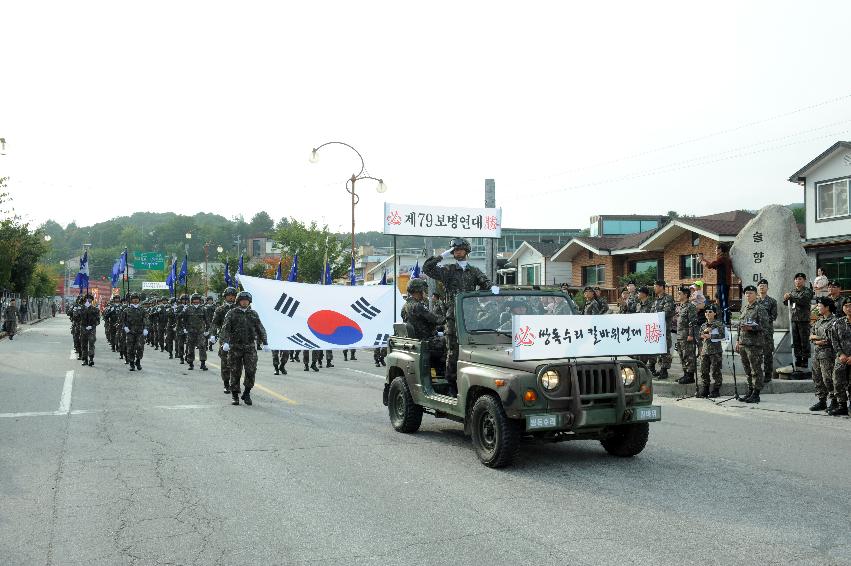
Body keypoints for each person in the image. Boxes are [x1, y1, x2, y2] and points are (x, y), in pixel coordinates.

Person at [423, 237, 496, 394]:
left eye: (460, 249)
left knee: (474, 349)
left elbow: (487, 285)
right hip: (453, 316)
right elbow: (427, 269)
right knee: (453, 350)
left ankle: (472, 382)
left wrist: (494, 289)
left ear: (467, 251)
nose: (457, 252)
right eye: (455, 250)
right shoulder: (448, 270)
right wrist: (443, 255)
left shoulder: (474, 271)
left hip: (471, 317)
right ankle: (452, 384)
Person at [220, 291, 269, 406]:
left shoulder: (253, 314)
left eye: (246, 300)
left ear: (249, 302)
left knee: (251, 370)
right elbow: (225, 329)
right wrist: (225, 342)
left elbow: (260, 328)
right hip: (235, 347)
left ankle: (247, 393)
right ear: (238, 301)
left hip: (249, 347)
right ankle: (235, 395)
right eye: (242, 300)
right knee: (235, 371)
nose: (244, 302)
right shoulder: (231, 313)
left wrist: (265, 342)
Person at [401, 278, 444, 369]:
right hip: (425, 340)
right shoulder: (418, 306)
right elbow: (435, 319)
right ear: (418, 291)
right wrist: (448, 319)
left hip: (416, 340)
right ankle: (445, 371)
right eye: (422, 291)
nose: (424, 293)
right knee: (449, 342)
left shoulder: (406, 305)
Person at [736, 285, 769, 403]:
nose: (748, 295)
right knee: (747, 370)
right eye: (746, 293)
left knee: (756, 369)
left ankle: (756, 393)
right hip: (743, 343)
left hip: (755, 344)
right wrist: (737, 341)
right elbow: (740, 326)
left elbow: (766, 327)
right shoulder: (745, 308)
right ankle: (750, 390)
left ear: (756, 294)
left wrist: (752, 328)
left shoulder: (760, 308)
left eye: (750, 293)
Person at [809, 297, 837, 412]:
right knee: (817, 377)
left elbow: (831, 339)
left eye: (820, 306)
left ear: (827, 307)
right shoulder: (819, 321)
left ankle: (835, 401)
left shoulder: (834, 321)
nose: (818, 308)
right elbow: (811, 335)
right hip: (817, 353)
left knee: (828, 378)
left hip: (828, 354)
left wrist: (818, 339)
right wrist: (817, 339)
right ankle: (822, 401)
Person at [210, 287, 238, 393]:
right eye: (229, 296)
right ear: (225, 297)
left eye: (233, 296)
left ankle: (235, 384)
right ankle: (226, 383)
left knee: (236, 363)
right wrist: (213, 334)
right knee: (225, 362)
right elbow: (214, 323)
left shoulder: (239, 308)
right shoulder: (220, 309)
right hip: (225, 339)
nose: (231, 297)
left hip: (237, 339)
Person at [783, 273, 814, 368]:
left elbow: (803, 300)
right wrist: (786, 298)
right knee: (795, 341)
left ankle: (805, 360)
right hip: (794, 319)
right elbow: (787, 303)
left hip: (803, 320)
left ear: (804, 280)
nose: (798, 281)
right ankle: (798, 359)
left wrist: (791, 297)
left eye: (800, 279)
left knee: (804, 340)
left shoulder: (807, 291)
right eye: (796, 279)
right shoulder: (792, 291)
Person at [700, 243, 733, 326]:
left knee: (724, 302)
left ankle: (726, 321)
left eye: (716, 249)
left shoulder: (723, 258)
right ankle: (724, 320)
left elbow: (711, 265)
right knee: (722, 302)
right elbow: (713, 265)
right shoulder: (723, 259)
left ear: (720, 250)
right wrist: (704, 260)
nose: (715, 250)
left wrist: (702, 261)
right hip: (722, 283)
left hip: (723, 283)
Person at [828, 300, 851, 416]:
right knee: (837, 380)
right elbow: (834, 340)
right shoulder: (838, 323)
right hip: (841, 357)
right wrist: (841, 354)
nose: (849, 308)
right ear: (843, 308)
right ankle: (842, 405)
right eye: (846, 306)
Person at [697, 304, 725, 398]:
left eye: (710, 312)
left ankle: (716, 389)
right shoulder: (703, 325)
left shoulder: (718, 324)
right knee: (704, 370)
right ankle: (705, 389)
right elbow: (700, 336)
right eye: (706, 312)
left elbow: (722, 335)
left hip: (715, 351)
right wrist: (702, 337)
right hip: (705, 351)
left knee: (715, 371)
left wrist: (711, 335)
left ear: (715, 313)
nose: (708, 313)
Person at [651, 280, 675, 379]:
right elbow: (651, 312)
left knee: (665, 349)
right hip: (656, 329)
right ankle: (660, 368)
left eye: (655, 286)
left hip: (665, 328)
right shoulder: (656, 300)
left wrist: (656, 316)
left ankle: (664, 370)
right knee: (659, 349)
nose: (654, 288)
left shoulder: (668, 298)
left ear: (661, 287)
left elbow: (667, 312)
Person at [674, 287, 699, 384]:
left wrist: (690, 335)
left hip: (687, 336)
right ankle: (685, 374)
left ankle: (690, 376)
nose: (678, 295)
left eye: (680, 293)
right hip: (680, 335)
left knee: (689, 356)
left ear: (685, 295)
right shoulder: (681, 306)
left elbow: (692, 322)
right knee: (682, 356)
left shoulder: (690, 306)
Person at [756, 278, 778, 382]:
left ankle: (768, 375)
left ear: (767, 288)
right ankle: (757, 374)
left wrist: (761, 320)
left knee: (768, 353)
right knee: (756, 354)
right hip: (756, 332)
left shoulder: (772, 301)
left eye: (764, 285)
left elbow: (773, 316)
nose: (762, 287)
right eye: (760, 285)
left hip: (767, 331)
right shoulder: (755, 301)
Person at [180, 293, 209, 371]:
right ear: (192, 301)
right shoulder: (188, 309)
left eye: (198, 299)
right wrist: (185, 328)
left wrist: (207, 330)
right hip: (191, 331)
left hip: (200, 331)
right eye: (194, 299)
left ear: (200, 300)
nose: (196, 301)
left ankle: (203, 363)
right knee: (190, 347)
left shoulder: (203, 309)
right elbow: (184, 320)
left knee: (202, 347)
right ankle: (190, 363)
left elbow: (207, 320)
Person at [121, 293, 148, 372]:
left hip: (140, 331)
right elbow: (122, 321)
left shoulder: (142, 309)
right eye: (133, 298)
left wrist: (146, 328)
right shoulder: (126, 310)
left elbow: (146, 320)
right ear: (131, 300)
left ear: (139, 300)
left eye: (137, 298)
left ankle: (138, 361)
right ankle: (132, 363)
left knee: (140, 347)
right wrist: (125, 327)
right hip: (130, 331)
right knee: (130, 348)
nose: (135, 300)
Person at [78, 293, 101, 366]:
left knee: (91, 343)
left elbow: (98, 320)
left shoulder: (95, 309)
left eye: (90, 298)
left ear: (92, 300)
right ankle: (85, 359)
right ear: (85, 300)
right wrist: (84, 308)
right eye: (87, 298)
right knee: (84, 344)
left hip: (92, 329)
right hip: (83, 328)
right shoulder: (81, 308)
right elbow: (76, 317)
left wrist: (92, 325)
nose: (89, 300)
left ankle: (91, 359)